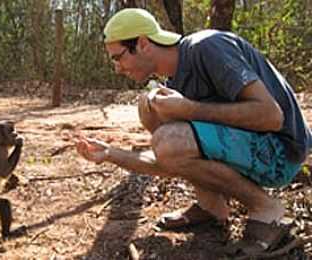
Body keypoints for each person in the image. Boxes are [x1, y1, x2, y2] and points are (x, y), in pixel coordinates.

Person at [76, 8, 312, 254]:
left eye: (118, 57)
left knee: (168, 136)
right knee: (148, 106)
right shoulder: (174, 79)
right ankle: (212, 206)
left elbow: (272, 117)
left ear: (143, 43)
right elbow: (171, 161)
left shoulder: (208, 47)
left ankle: (266, 210)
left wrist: (189, 109)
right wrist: (111, 154)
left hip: (282, 152)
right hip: (252, 146)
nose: (117, 68)